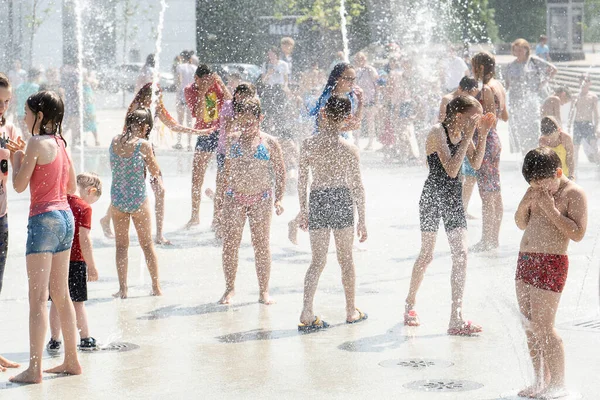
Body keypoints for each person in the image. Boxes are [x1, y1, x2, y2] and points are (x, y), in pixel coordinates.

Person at [403, 96, 495, 335]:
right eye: (475, 116)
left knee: (461, 254)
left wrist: (482, 134)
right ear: (459, 115)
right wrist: (468, 136)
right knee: (427, 255)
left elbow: (474, 164)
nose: (478, 119)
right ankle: (410, 303)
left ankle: (456, 317)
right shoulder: (437, 132)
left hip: (453, 199)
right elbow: (452, 169)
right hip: (432, 197)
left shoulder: (465, 133)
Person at [7, 91, 81, 383]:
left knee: (37, 298)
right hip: (66, 218)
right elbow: (72, 185)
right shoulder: (60, 143)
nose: (23, 118)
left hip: (44, 220)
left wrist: (17, 158)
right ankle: (72, 361)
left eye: (26, 113)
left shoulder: (36, 143)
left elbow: (19, 185)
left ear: (40, 116)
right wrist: (28, 156)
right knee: (61, 295)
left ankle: (34, 368)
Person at [514, 147, 587, 399]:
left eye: (543, 184)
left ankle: (558, 384)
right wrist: (526, 202)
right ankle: (539, 381)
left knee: (545, 327)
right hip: (525, 260)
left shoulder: (573, 194)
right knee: (529, 327)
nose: (540, 189)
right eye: (534, 185)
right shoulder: (535, 187)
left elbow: (578, 234)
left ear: (558, 172)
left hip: (551, 262)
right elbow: (521, 223)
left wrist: (552, 210)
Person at [100, 83, 213, 244]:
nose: (156, 100)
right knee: (124, 190)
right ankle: (106, 219)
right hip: (133, 154)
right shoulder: (136, 110)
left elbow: (174, 125)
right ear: (144, 95)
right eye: (153, 97)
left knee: (160, 190)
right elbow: (126, 135)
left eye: (158, 97)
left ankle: (159, 235)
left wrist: (198, 132)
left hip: (148, 152)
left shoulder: (157, 108)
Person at [297, 96, 368, 331]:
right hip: (341, 199)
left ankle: (307, 311)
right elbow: (357, 186)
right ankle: (350, 310)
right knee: (346, 259)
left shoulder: (308, 144)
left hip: (318, 197)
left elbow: (302, 181)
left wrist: (303, 210)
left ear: (324, 113)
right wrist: (363, 220)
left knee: (317, 261)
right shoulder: (349, 149)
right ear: (347, 118)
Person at [216, 97, 285, 305]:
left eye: (250, 122)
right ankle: (229, 289)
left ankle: (264, 291)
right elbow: (225, 172)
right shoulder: (232, 139)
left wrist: (279, 199)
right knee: (230, 244)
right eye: (241, 121)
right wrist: (219, 200)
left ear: (260, 118)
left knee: (261, 244)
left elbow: (280, 173)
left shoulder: (270, 142)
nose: (245, 126)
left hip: (261, 198)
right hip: (234, 197)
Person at [288, 62, 364, 244]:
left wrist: (361, 103)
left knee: (339, 185)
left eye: (354, 79)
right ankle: (298, 221)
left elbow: (355, 122)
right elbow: (340, 123)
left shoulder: (348, 96)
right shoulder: (328, 98)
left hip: (340, 141)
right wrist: (349, 123)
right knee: (329, 185)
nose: (352, 82)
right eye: (349, 78)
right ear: (338, 79)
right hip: (325, 144)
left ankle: (346, 234)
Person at [109, 109, 163, 299]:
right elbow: (155, 171)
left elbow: (114, 169)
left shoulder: (114, 141)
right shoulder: (144, 145)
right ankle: (156, 287)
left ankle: (123, 289)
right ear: (145, 126)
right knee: (147, 245)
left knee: (121, 246)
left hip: (117, 200)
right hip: (138, 201)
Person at [47, 173, 102, 352]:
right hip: (76, 261)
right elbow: (84, 239)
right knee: (78, 302)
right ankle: (85, 338)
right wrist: (92, 266)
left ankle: (54, 341)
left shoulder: (60, 201)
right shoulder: (84, 207)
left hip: (56, 258)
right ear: (90, 190)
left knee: (56, 300)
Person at [470, 52, 509, 253]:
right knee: (495, 191)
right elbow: (505, 116)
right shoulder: (499, 86)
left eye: (473, 66)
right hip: (495, 140)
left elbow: (490, 118)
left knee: (486, 194)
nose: (472, 70)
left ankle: (487, 240)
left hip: (485, 141)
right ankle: (494, 239)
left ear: (482, 68)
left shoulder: (485, 88)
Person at [184, 65, 232, 228]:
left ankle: (216, 218)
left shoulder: (216, 85)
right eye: (202, 81)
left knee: (222, 177)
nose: (206, 83)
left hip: (220, 133)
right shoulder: (190, 90)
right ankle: (194, 216)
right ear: (196, 79)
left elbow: (231, 102)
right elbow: (197, 113)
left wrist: (221, 84)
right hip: (204, 133)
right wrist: (202, 92)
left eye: (208, 80)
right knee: (197, 176)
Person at [212, 83, 258, 238]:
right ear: (237, 94)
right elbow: (228, 127)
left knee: (239, 185)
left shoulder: (252, 109)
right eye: (242, 95)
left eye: (248, 96)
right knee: (222, 184)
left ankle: (233, 220)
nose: (244, 98)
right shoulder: (227, 106)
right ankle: (217, 219)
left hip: (243, 152)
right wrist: (241, 116)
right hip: (225, 150)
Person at [505, 38, 557, 155]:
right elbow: (507, 86)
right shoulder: (510, 66)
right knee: (520, 132)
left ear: (526, 50)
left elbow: (553, 69)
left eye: (521, 50)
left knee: (533, 128)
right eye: (516, 50)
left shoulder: (533, 61)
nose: (518, 52)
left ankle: (537, 155)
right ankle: (525, 158)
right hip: (515, 103)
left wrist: (542, 84)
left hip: (531, 102)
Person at [439, 76, 479, 219]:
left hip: (465, 139)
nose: (470, 98)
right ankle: (451, 209)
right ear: (460, 89)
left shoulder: (468, 101)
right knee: (455, 175)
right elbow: (442, 122)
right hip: (453, 141)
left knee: (472, 175)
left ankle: (463, 208)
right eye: (468, 94)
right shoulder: (447, 99)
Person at [0, 74, 19, 296]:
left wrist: (22, 152)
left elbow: (19, 179)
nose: (3, 107)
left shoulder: (10, 130)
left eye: (7, 101)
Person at [568, 74, 600, 169]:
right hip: (577, 124)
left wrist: (597, 127)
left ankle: (598, 168)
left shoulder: (593, 97)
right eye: (581, 81)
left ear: (590, 83)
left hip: (588, 124)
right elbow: (571, 112)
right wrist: (568, 127)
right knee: (576, 148)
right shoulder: (575, 96)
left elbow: (596, 114)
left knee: (595, 147)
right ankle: (574, 170)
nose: (583, 83)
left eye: (586, 81)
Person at [354, 52, 379, 150]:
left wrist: (377, 100)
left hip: (370, 100)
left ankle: (371, 143)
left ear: (365, 59)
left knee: (370, 122)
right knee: (357, 121)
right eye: (357, 59)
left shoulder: (371, 70)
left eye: (361, 59)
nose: (359, 61)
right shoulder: (356, 71)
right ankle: (356, 142)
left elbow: (377, 85)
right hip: (359, 100)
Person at [173, 50, 197, 151]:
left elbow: (178, 81)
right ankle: (189, 144)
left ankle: (179, 142)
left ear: (182, 58)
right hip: (191, 95)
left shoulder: (180, 67)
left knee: (180, 120)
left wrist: (177, 94)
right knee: (189, 121)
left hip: (182, 94)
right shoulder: (195, 68)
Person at [15, 68, 41, 140]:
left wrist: (14, 114)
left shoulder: (19, 87)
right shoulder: (37, 88)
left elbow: (15, 101)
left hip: (20, 113)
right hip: (32, 114)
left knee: (25, 134)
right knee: (31, 135)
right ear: (35, 76)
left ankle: (25, 149)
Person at [83, 71, 100, 146]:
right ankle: (83, 140)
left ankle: (96, 140)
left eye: (84, 75)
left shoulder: (89, 83)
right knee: (82, 124)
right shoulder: (78, 84)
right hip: (83, 107)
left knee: (92, 123)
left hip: (90, 106)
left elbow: (95, 83)